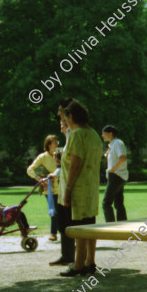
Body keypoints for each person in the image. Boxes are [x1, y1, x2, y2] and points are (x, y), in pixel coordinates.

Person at [58, 100, 103, 277]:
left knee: (79, 227)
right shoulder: (93, 134)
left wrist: (68, 189)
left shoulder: (77, 135)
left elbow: (75, 163)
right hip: (91, 186)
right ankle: (90, 261)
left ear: (71, 116)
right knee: (90, 224)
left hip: (78, 187)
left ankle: (78, 265)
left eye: (65, 117)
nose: (64, 121)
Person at [49, 98, 76, 267]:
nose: (59, 117)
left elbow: (75, 162)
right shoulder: (70, 136)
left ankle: (77, 258)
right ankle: (67, 255)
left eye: (61, 113)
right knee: (64, 222)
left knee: (73, 223)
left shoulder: (75, 134)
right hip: (65, 184)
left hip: (71, 186)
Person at [27, 135, 60, 241]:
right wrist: (39, 179)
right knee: (54, 210)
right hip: (49, 189)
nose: (57, 143)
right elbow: (30, 169)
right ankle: (53, 233)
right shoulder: (42, 157)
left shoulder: (61, 155)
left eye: (57, 141)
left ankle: (64, 232)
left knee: (63, 211)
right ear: (49, 144)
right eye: (54, 142)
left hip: (63, 187)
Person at [101, 125, 128, 222]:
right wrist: (108, 150)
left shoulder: (118, 143)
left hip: (116, 176)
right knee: (118, 203)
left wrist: (112, 169)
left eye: (103, 133)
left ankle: (110, 226)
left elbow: (123, 158)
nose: (102, 135)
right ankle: (123, 225)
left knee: (106, 203)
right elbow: (108, 155)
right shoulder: (113, 144)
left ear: (110, 133)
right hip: (116, 176)